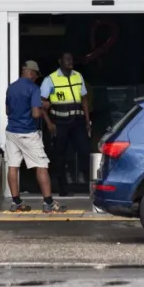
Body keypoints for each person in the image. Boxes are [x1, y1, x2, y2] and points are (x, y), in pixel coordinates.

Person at [4, 60, 67, 214]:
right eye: (36, 75)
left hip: (11, 131)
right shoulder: (33, 88)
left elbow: (7, 110)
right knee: (41, 165)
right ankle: (48, 203)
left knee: (13, 166)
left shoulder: (11, 87)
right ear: (31, 73)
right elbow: (36, 113)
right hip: (28, 133)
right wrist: (40, 106)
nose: (36, 78)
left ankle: (16, 202)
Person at [40, 52, 91, 197]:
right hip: (59, 123)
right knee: (59, 156)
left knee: (84, 152)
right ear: (60, 61)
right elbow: (41, 103)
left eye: (71, 59)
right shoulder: (50, 79)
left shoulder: (78, 76)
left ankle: (89, 186)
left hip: (77, 122)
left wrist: (87, 121)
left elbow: (84, 99)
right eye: (67, 59)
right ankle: (63, 189)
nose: (70, 61)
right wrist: (49, 123)